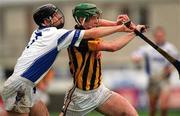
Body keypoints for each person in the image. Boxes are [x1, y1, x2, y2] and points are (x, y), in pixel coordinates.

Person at [0, 3, 134, 116]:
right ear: (46, 22)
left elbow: (94, 25)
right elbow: (93, 32)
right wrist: (122, 28)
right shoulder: (55, 34)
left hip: (26, 86)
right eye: (54, 16)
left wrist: (116, 24)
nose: (59, 17)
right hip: (19, 86)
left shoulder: (40, 32)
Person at [59, 3, 146, 116]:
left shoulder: (89, 27)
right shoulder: (78, 39)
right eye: (93, 17)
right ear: (82, 20)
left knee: (130, 113)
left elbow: (99, 23)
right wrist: (133, 32)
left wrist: (116, 24)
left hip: (99, 92)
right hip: (81, 97)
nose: (97, 20)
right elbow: (112, 46)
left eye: (97, 17)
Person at [132, 26, 178, 116]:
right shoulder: (148, 48)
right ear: (154, 37)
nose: (159, 38)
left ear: (164, 36)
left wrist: (171, 69)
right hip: (152, 80)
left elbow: (177, 61)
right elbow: (135, 55)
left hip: (164, 79)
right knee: (152, 108)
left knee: (164, 106)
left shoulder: (170, 48)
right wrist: (136, 58)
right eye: (158, 36)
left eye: (161, 36)